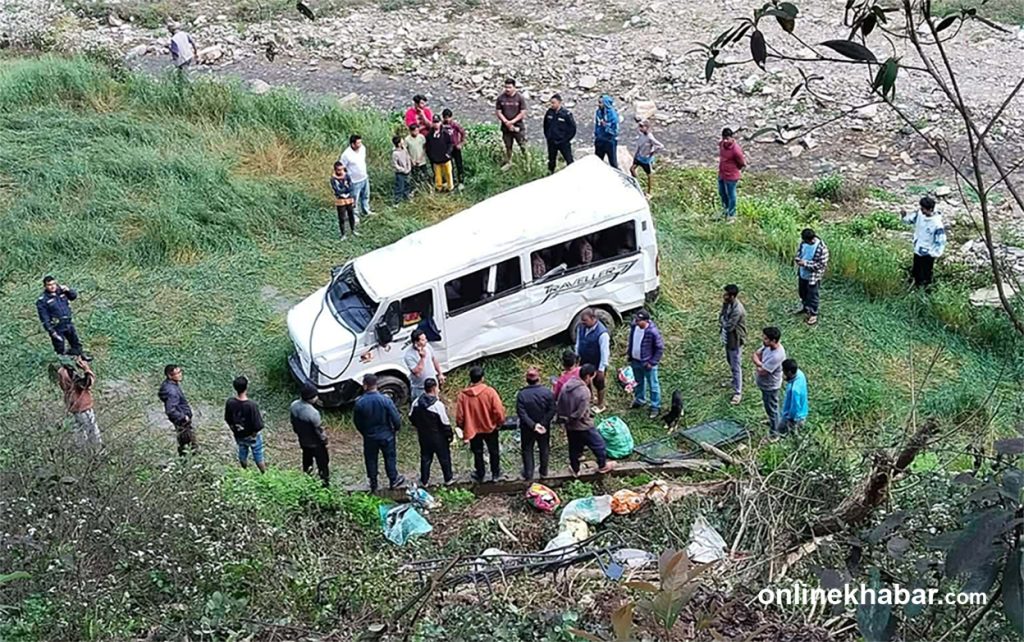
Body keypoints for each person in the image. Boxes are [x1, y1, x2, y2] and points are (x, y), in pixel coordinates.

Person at [556, 364, 613, 475]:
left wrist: (565, 419)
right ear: (588, 376)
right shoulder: (584, 392)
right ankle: (602, 466)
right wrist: (587, 415)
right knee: (599, 445)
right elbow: (580, 413)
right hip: (582, 425)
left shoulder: (566, 385)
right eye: (592, 378)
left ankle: (575, 469)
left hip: (569, 424)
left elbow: (560, 403)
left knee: (574, 447)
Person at [353, 374, 405, 491]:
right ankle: (393, 479)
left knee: (371, 459)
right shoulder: (385, 400)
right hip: (386, 435)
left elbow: (357, 422)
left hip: (370, 436)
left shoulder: (360, 403)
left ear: (365, 385)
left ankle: (373, 482)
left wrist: (364, 432)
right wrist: (396, 429)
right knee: (390, 457)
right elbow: (395, 417)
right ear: (376, 385)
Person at [456, 366, 506, 482]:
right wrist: (499, 423)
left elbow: (460, 415)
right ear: (482, 378)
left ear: (470, 379)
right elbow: (498, 410)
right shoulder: (490, 392)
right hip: (490, 427)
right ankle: (495, 474)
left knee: (477, 452)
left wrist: (462, 426)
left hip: (473, 429)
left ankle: (480, 474)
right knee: (494, 451)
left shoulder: (463, 396)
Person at [409, 377, 454, 486]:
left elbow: (411, 417)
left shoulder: (416, 402)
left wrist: (419, 426)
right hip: (438, 437)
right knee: (444, 458)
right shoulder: (437, 405)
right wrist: (449, 435)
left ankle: (424, 481)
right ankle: (448, 479)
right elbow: (445, 422)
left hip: (423, 435)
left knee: (425, 458)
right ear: (434, 388)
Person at [516, 367, 556, 480]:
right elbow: (552, 409)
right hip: (544, 427)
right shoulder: (547, 392)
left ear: (526, 380)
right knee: (544, 448)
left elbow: (521, 413)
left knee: (527, 449)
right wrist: (543, 423)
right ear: (539, 378)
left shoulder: (522, 394)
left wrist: (533, 425)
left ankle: (528, 473)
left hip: (527, 428)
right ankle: (544, 471)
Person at [901, 196, 947, 288]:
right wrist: (904, 216)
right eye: (921, 208)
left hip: (928, 253)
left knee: (926, 275)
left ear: (930, 209)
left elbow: (941, 241)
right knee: (916, 271)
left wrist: (934, 253)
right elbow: (910, 220)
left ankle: (925, 291)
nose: (922, 211)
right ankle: (915, 288)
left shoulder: (937, 224)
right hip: (918, 249)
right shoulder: (920, 215)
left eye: (923, 209)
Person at [626, 309, 664, 419]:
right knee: (638, 382)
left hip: (647, 363)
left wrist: (652, 362)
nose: (636, 322)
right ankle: (640, 399)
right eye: (636, 319)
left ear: (646, 321)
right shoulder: (634, 327)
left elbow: (660, 348)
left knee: (653, 385)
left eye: (638, 320)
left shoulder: (652, 332)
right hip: (635, 360)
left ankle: (655, 406)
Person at [224, 376, 266, 473]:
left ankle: (244, 471)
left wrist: (234, 430)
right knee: (258, 454)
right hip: (251, 435)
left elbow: (228, 419)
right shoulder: (251, 405)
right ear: (246, 387)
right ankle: (264, 473)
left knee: (242, 451)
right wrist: (254, 434)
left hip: (239, 434)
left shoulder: (230, 402)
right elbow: (258, 425)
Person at [290, 384, 330, 487]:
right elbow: (319, 430)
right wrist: (324, 440)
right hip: (316, 444)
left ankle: (307, 480)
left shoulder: (294, 405)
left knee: (307, 460)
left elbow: (293, 422)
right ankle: (325, 483)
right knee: (323, 463)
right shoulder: (313, 413)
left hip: (303, 440)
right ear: (311, 398)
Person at [37, 276, 86, 358]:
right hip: (57, 327)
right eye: (49, 285)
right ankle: (65, 366)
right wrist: (51, 331)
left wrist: (68, 290)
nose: (52, 287)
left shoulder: (61, 292)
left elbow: (73, 296)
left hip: (68, 323)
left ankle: (81, 358)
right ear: (45, 286)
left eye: (54, 284)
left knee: (75, 342)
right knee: (60, 348)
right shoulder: (43, 300)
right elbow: (44, 318)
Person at [57, 356, 101, 447]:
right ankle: (97, 452)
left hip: (73, 405)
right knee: (92, 431)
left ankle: (80, 452)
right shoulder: (72, 373)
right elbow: (87, 383)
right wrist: (86, 369)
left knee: (79, 431)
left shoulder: (62, 371)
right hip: (82, 406)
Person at [574, 309, 609, 413]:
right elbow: (578, 342)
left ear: (593, 319)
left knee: (599, 383)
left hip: (597, 362)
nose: (582, 322)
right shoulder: (581, 327)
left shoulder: (602, 334)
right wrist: (577, 357)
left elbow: (604, 352)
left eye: (585, 320)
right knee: (585, 379)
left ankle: (600, 404)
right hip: (584, 359)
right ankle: (590, 397)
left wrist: (601, 369)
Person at [752, 327, 787, 432]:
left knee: (772, 409)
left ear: (774, 341)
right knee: (770, 407)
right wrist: (760, 364)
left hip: (770, 387)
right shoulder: (767, 346)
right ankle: (774, 421)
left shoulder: (777, 356)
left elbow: (762, 372)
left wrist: (759, 364)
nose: (763, 340)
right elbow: (755, 354)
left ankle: (775, 431)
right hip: (765, 384)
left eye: (766, 338)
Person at [793, 228, 830, 326]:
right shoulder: (803, 243)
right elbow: (799, 252)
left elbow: (821, 265)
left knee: (813, 295)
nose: (804, 242)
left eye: (806, 241)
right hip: (802, 274)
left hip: (813, 276)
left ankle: (813, 313)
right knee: (802, 292)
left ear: (811, 239)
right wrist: (798, 259)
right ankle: (805, 307)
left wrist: (805, 264)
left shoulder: (822, 248)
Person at [159, 364, 196, 456]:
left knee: (185, 444)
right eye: (177, 373)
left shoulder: (170, 385)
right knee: (189, 446)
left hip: (181, 420)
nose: (180, 375)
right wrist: (184, 417)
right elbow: (170, 410)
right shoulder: (172, 391)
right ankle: (187, 466)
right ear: (169, 375)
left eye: (180, 372)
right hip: (182, 422)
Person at [719, 284, 747, 405]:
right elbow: (721, 316)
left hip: (735, 339)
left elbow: (729, 326)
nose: (723, 296)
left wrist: (722, 322)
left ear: (732, 296)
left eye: (726, 294)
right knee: (730, 361)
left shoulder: (737, 310)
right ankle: (734, 381)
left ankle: (738, 392)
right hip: (728, 338)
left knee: (736, 365)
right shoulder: (727, 303)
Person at [404, 329, 445, 404]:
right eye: (423, 340)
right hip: (420, 387)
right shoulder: (409, 355)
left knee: (435, 402)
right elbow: (417, 372)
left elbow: (434, 359)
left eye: (425, 338)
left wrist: (440, 373)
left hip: (433, 384)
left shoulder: (428, 346)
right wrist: (422, 358)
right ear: (416, 342)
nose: (426, 341)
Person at [495, 78, 528, 169]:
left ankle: (527, 163)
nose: (507, 89)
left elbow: (523, 112)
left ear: (514, 87)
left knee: (522, 145)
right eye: (506, 87)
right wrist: (506, 122)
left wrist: (512, 122)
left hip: (518, 126)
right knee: (508, 145)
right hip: (505, 127)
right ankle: (509, 162)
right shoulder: (501, 98)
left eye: (509, 87)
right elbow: (498, 112)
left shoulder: (520, 98)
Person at [543, 93, 576, 174]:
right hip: (552, 141)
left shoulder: (566, 114)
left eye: (553, 103)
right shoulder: (549, 112)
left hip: (563, 142)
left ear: (559, 103)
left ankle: (573, 175)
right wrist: (548, 136)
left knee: (569, 160)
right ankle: (550, 173)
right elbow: (545, 125)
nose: (552, 105)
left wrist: (566, 139)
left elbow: (573, 128)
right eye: (551, 103)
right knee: (551, 160)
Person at [340, 134, 372, 217]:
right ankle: (354, 215)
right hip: (354, 181)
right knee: (354, 199)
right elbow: (342, 167)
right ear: (352, 144)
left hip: (364, 177)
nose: (360, 145)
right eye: (358, 143)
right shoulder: (346, 155)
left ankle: (366, 211)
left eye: (360, 142)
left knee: (365, 196)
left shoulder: (362, 148)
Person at [630, 121, 666, 196]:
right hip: (639, 156)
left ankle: (649, 191)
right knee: (632, 169)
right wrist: (635, 154)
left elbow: (660, 145)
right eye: (640, 127)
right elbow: (638, 145)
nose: (640, 128)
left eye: (642, 127)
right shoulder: (641, 135)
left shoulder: (650, 137)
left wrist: (652, 152)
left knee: (649, 175)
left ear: (647, 128)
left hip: (645, 160)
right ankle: (637, 184)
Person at [718, 127, 746, 221]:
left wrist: (737, 169)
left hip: (731, 176)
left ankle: (732, 215)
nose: (726, 140)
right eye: (724, 138)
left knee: (731, 195)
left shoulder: (736, 150)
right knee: (722, 192)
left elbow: (741, 162)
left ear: (731, 137)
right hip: (722, 173)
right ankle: (725, 210)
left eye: (727, 138)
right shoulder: (721, 144)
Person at [777, 359, 808, 438]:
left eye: (784, 371)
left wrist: (789, 419)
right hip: (802, 412)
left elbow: (795, 407)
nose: (783, 373)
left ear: (789, 372)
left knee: (780, 432)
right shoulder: (800, 374)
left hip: (795, 418)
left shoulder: (795, 390)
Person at [425, 115, 455, 192]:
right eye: (434, 122)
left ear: (440, 122)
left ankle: (450, 187)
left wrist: (448, 153)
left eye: (437, 122)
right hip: (436, 159)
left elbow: (451, 144)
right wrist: (431, 156)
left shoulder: (445, 133)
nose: (436, 124)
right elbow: (428, 147)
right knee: (437, 175)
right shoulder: (429, 135)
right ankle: (439, 188)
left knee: (448, 174)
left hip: (445, 158)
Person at [330, 161, 358, 239]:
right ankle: (343, 234)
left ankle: (353, 230)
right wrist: (345, 190)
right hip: (340, 200)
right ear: (335, 170)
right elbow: (337, 190)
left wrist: (346, 191)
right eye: (339, 170)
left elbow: (351, 187)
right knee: (342, 217)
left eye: (342, 169)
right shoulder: (333, 179)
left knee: (351, 215)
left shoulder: (347, 176)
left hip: (349, 198)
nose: (341, 171)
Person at [441, 108, 467, 187]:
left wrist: (461, 143)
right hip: (447, 148)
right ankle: (451, 181)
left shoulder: (455, 125)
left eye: (449, 117)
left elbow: (463, 133)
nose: (447, 119)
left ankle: (461, 181)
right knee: (448, 165)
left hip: (455, 147)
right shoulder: (442, 125)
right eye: (445, 117)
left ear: (451, 117)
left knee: (459, 164)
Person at [594, 95, 621, 169]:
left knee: (613, 163)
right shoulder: (598, 112)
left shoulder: (613, 115)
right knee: (597, 162)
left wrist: (606, 126)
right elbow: (596, 124)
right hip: (600, 140)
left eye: (600, 103)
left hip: (609, 141)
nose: (598, 104)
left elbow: (615, 131)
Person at [391, 136, 413, 203]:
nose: (403, 141)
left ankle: (406, 198)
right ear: (399, 143)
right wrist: (403, 170)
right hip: (400, 173)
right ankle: (397, 201)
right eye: (402, 141)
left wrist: (409, 167)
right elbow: (395, 165)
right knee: (400, 187)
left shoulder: (404, 150)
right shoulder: (395, 153)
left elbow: (408, 158)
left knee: (407, 185)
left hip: (407, 171)